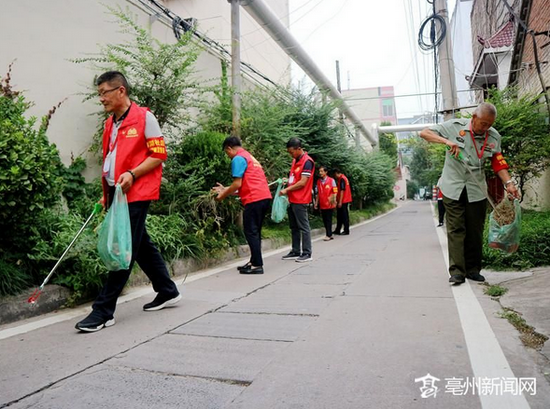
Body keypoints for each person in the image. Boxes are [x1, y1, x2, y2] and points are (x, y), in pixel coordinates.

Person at [75, 71, 180, 332]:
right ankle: (167, 290)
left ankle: (103, 310)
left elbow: (158, 154)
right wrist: (107, 192)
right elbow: (112, 159)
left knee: (124, 247)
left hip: (137, 191)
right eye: (99, 93)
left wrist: (133, 174)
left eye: (104, 93)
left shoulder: (145, 117)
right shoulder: (110, 123)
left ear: (120, 90)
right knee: (140, 243)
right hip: (117, 192)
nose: (101, 99)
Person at [420, 103, 520, 285]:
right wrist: (446, 141)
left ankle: (473, 269)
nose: (485, 128)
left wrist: (509, 183)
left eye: (489, 124)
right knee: (456, 228)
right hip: (452, 186)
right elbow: (424, 133)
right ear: (473, 117)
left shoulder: (493, 136)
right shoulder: (454, 127)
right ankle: (457, 271)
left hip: (477, 189)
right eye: (483, 123)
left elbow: (498, 162)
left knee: (475, 230)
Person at [212, 136, 272, 274]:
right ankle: (253, 261)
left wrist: (223, 194)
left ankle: (257, 265)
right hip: (263, 197)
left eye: (227, 153)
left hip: (254, 199)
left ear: (229, 148)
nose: (228, 156)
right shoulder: (249, 157)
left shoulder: (238, 158)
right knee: (255, 231)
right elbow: (245, 184)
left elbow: (237, 184)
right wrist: (225, 189)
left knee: (250, 231)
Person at [280, 138, 315, 262]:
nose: (291, 155)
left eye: (291, 152)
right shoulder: (296, 160)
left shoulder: (307, 162)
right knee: (294, 227)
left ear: (299, 149)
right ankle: (295, 250)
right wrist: (287, 181)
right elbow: (295, 177)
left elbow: (303, 182)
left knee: (303, 227)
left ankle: (307, 252)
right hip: (292, 199)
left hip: (301, 199)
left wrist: (287, 190)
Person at [314, 166, 338, 241]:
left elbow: (335, 191)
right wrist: (316, 203)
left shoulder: (331, 180)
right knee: (325, 219)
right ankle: (329, 234)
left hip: (329, 203)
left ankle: (329, 234)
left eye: (321, 171)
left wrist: (333, 199)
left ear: (326, 172)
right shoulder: (318, 182)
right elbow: (317, 194)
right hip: (322, 203)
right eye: (319, 171)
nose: (320, 173)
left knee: (328, 219)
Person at [334, 169, 352, 235]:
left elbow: (342, 190)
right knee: (340, 215)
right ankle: (338, 229)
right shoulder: (344, 178)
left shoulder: (342, 179)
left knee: (344, 216)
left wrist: (340, 202)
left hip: (343, 200)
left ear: (337, 173)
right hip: (345, 199)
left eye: (335, 174)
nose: (335, 176)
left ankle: (346, 230)